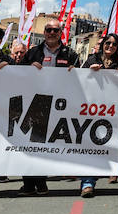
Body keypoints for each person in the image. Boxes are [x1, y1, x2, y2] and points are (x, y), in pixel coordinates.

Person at [14, 19, 77, 195]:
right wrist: (27, 66)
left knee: (45, 146)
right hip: (34, 102)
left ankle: (41, 183)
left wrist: (75, 71)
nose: (51, 33)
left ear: (60, 33)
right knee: (29, 144)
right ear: (44, 32)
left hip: (58, 105)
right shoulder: (33, 52)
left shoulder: (70, 54)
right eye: (48, 29)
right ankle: (28, 184)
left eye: (55, 30)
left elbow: (81, 77)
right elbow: (17, 73)